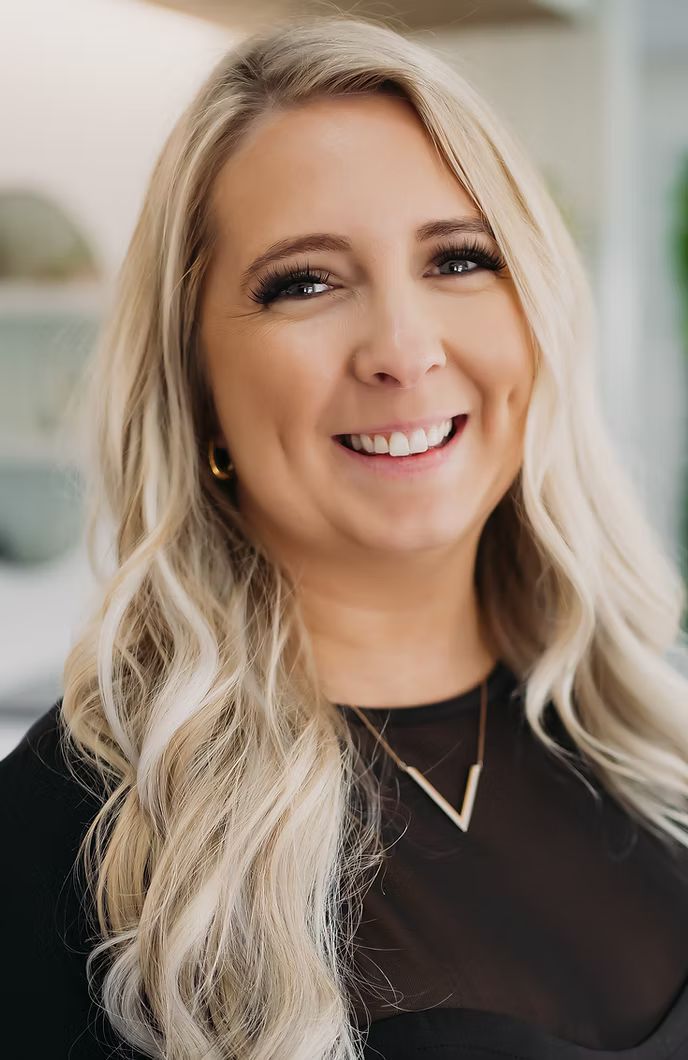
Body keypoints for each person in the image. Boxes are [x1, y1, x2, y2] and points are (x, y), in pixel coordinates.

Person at [2, 13, 688, 1060]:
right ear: (197, 387)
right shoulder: (80, 830)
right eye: (304, 283)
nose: (403, 351)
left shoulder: (657, 742)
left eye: (459, 260)